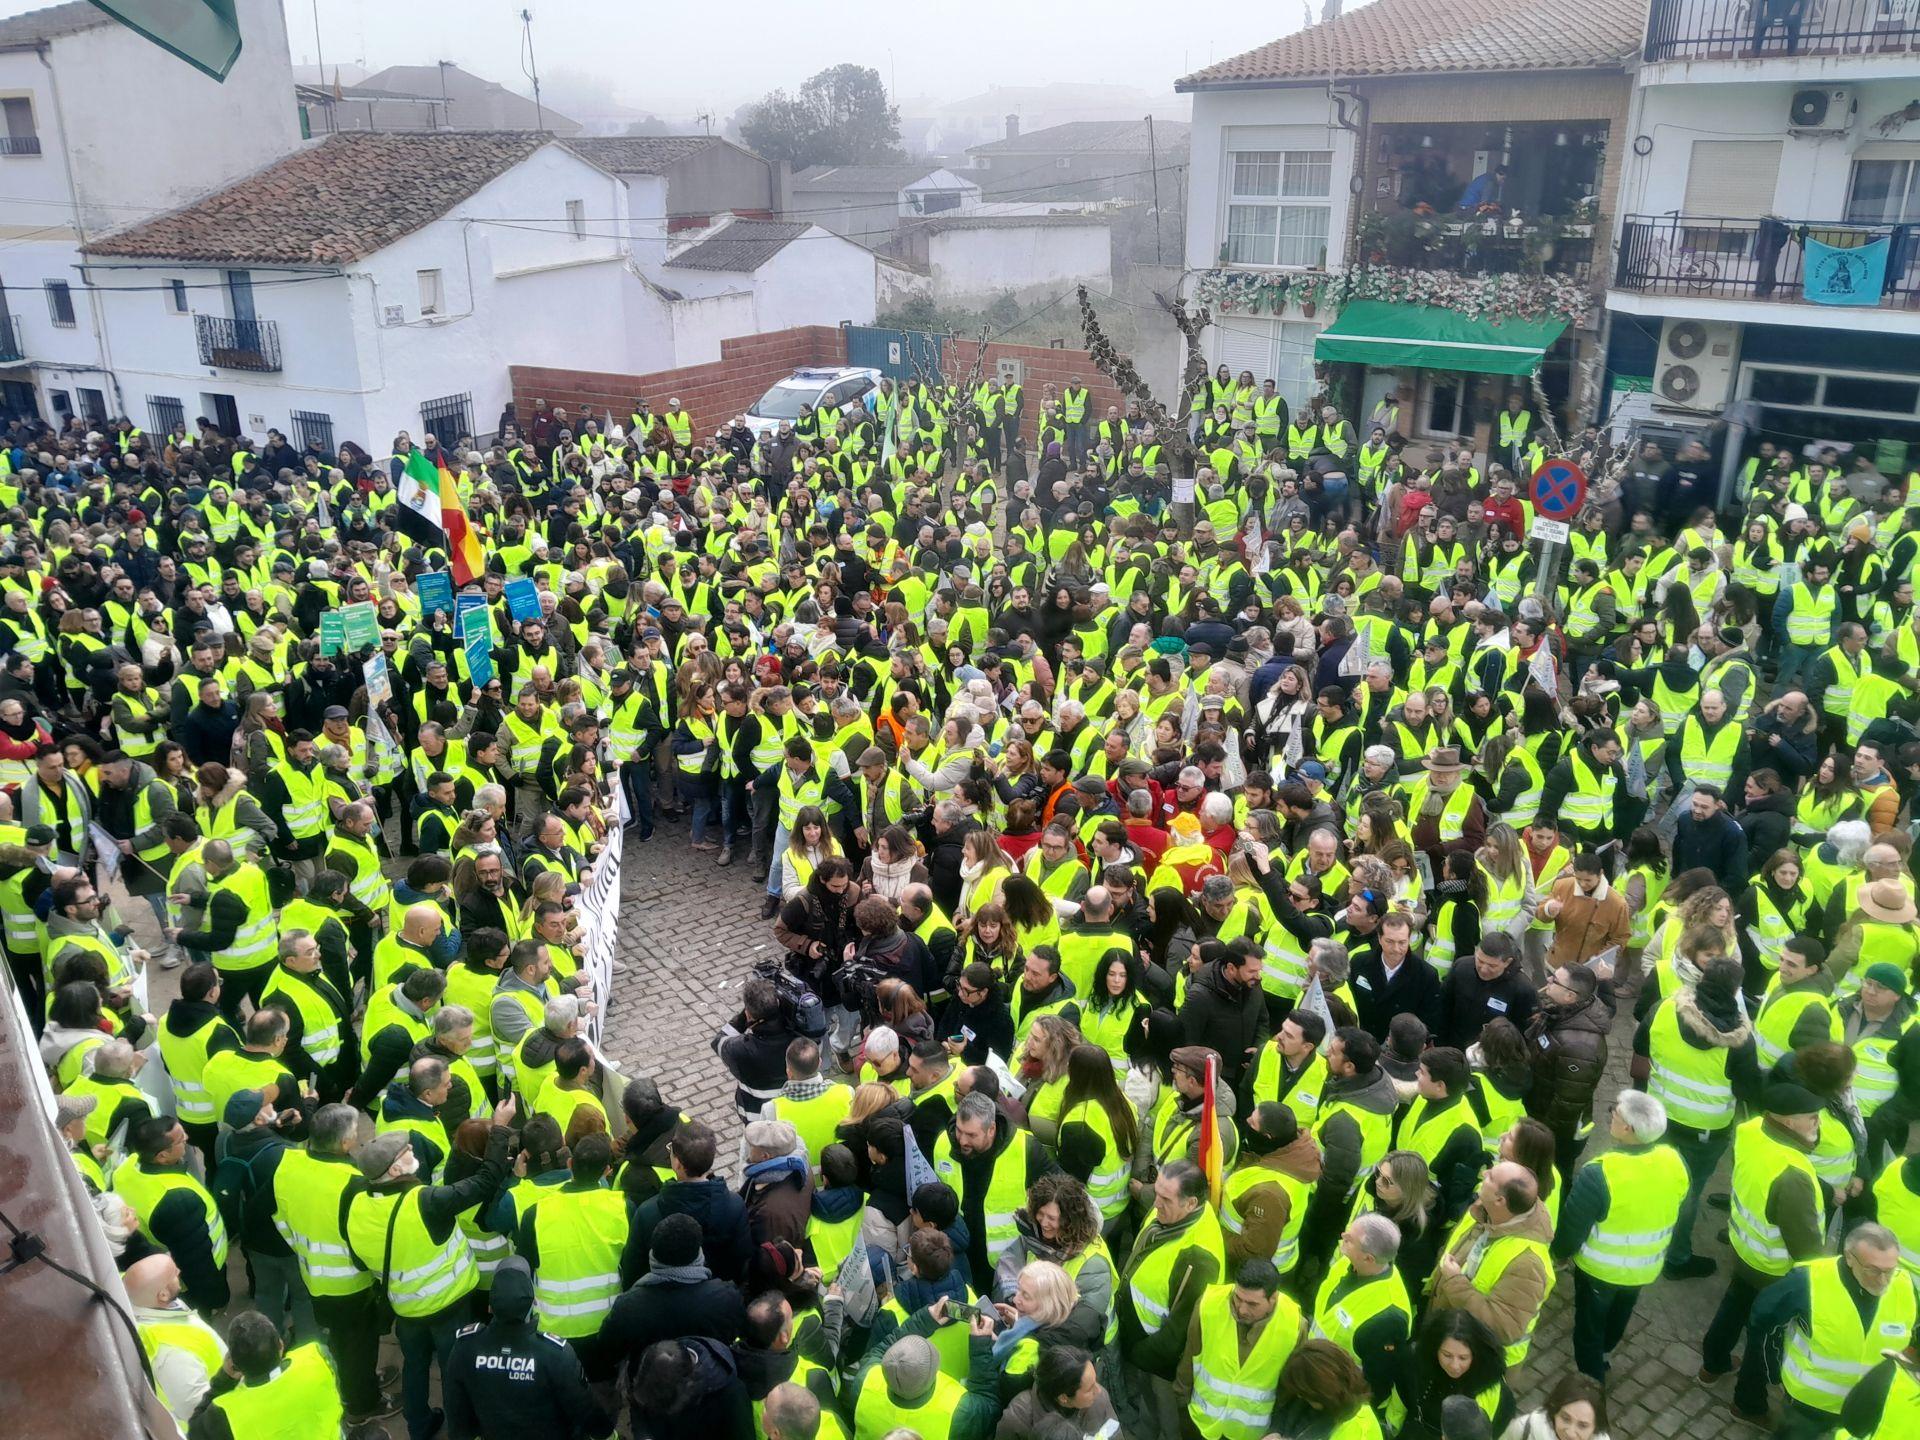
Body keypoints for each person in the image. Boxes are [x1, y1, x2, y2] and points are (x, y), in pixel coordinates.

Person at [1697, 1083, 1830, 1401]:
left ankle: (1712, 1365)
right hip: (1775, 1269)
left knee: (1734, 1305)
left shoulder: (1751, 1129)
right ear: (1787, 1122)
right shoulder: (1793, 1174)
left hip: (1744, 1249)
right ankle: (1749, 1402)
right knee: (1765, 1335)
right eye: (1811, 1118)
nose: (1818, 1123)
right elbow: (1806, 1249)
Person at [1552, 1091, 1689, 1383]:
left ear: (1628, 1129)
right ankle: (1606, 1353)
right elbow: (1683, 1204)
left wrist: (1559, 1253)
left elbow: (1573, 1227)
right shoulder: (1674, 1160)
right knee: (1622, 1311)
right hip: (1646, 1266)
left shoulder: (1600, 1172)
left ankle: (1590, 1383)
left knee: (1589, 1325)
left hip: (1600, 1271)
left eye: (1614, 1112)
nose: (1610, 1114)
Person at [1730, 1221, 1915, 1435]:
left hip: (1868, 1406)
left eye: (1890, 1270)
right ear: (1849, 1258)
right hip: (1809, 1406)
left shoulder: (1905, 1287)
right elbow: (1764, 1319)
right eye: (1873, 1270)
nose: (1883, 1280)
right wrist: (1773, 1370)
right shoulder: (1808, 1281)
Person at [443, 1255, 615, 1440]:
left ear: (490, 1307)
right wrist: (609, 1435)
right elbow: (584, 1409)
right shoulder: (556, 1354)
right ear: (532, 1303)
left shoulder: (465, 1347)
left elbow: (455, 1409)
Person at [1118, 1159, 1228, 1438]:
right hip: (1143, 1345)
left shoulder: (1199, 1257)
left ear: (1191, 1203)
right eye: (1156, 1193)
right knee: (1148, 1406)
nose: (1155, 1204)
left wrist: (1139, 1354)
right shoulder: (1170, 1215)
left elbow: (1179, 1332)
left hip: (1159, 1360)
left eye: (1165, 1198)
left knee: (1166, 1416)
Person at [1428, 1161, 1555, 1367]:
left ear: (1500, 1199)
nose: (1484, 1172)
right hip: (1445, 1336)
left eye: (1490, 1177)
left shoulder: (1527, 1263)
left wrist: (1454, 1282)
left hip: (1470, 1362)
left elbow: (1503, 1328)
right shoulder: (1484, 1211)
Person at [1178, 1257, 1306, 1440]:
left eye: (1253, 1304)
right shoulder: (1208, 1305)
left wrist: (1277, 1429)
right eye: (1237, 1298)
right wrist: (1181, 1403)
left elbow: (1290, 1387)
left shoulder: (1295, 1326)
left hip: (1252, 1434)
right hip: (1201, 1423)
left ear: (1273, 1298)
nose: (1242, 1309)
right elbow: (1190, 1355)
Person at [185, 1310, 345, 1440]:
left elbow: (194, 1433)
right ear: (280, 1345)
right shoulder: (316, 1356)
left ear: (234, 1364)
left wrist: (223, 1379)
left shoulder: (225, 1413)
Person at [1502, 1372, 1614, 1440]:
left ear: (1596, 1426)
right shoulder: (1522, 1428)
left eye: (1583, 1425)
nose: (1570, 1433)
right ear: (1554, 1410)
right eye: (1565, 1418)